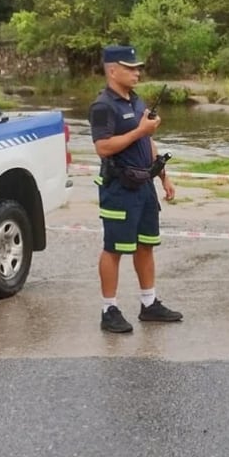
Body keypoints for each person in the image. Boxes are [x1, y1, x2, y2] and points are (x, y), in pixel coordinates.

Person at [89, 44, 183, 333]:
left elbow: (147, 142)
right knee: (114, 248)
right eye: (130, 67)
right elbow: (102, 147)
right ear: (112, 70)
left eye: (137, 67)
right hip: (119, 187)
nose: (137, 72)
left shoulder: (136, 100)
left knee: (145, 246)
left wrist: (163, 175)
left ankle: (149, 303)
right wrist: (140, 131)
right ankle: (109, 310)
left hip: (144, 186)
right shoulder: (103, 106)